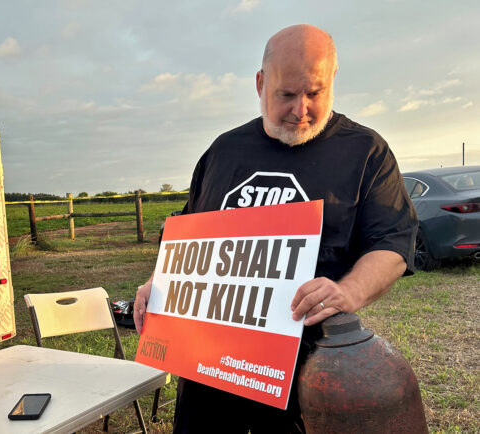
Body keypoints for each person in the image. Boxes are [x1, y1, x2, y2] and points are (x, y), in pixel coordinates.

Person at [133, 24, 417, 433]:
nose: (301, 109)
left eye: (314, 93)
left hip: (309, 374)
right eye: (286, 94)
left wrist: (348, 291)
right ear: (260, 83)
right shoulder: (222, 151)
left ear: (332, 81)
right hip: (208, 373)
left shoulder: (365, 151)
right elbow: (184, 235)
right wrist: (157, 283)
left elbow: (392, 243)